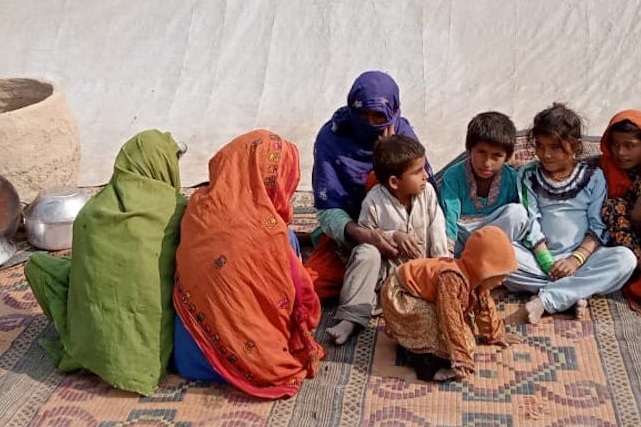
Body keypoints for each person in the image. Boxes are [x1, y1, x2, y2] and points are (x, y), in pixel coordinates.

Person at [25, 130, 187, 396]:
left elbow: (86, 271)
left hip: (91, 345)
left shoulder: (91, 212)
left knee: (39, 265)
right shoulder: (176, 210)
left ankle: (92, 341)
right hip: (154, 354)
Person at [172, 130, 324, 398]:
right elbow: (304, 303)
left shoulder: (197, 209)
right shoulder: (272, 231)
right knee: (285, 245)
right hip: (254, 360)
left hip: (189, 357)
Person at [504, 103, 637, 323]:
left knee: (625, 259)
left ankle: (546, 300)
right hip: (539, 259)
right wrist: (548, 263)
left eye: (555, 147)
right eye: (540, 145)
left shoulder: (594, 177)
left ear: (574, 146)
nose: (545, 154)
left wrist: (575, 261)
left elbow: (598, 227)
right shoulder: (528, 174)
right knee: (501, 255)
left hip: (582, 259)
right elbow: (530, 221)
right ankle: (574, 292)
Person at [305, 71, 431, 299]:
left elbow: (423, 193)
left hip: (406, 239)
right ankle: (374, 284)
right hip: (350, 238)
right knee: (307, 287)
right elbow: (327, 207)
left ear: (392, 112)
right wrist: (363, 234)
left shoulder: (403, 136)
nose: (371, 124)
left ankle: (377, 283)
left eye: (379, 117)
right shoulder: (332, 137)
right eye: (363, 116)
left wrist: (387, 155)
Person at [326, 134, 448, 345]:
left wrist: (443, 268)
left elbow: (437, 229)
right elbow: (366, 237)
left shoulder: (427, 192)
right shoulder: (373, 202)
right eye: (418, 172)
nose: (426, 176)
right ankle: (349, 319)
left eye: (424, 169)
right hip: (388, 277)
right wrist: (394, 236)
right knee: (366, 252)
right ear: (394, 182)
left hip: (421, 273)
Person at [381, 226, 521, 382]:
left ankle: (411, 342)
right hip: (401, 293)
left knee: (467, 342)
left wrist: (495, 334)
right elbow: (450, 318)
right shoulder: (452, 278)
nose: (503, 280)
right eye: (500, 275)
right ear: (485, 268)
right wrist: (461, 360)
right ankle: (424, 367)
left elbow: (484, 307)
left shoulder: (476, 280)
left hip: (420, 295)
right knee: (435, 326)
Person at [437, 111, 528, 256]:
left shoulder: (512, 178)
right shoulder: (453, 176)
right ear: (469, 148)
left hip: (494, 236)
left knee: (518, 213)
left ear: (507, 157)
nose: (487, 163)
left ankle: (484, 261)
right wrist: (447, 254)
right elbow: (450, 216)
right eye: (481, 152)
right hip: (462, 235)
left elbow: (514, 223)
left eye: (496, 156)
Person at [597, 110, 641, 267]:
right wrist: (636, 216)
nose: (620, 153)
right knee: (612, 206)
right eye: (615, 145)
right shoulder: (602, 171)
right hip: (621, 251)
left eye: (629, 146)